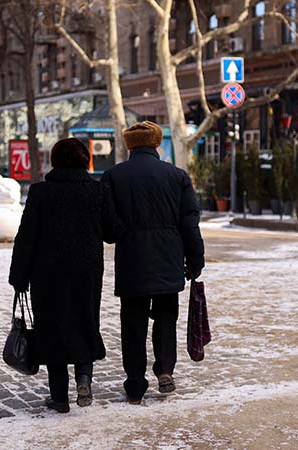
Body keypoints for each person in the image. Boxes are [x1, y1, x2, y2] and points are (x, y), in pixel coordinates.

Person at [9, 137, 121, 414]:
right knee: (85, 321)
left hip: (47, 273)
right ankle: (84, 379)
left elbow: (26, 238)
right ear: (85, 160)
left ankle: (59, 398)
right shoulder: (98, 192)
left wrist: (18, 276)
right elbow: (112, 233)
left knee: (52, 329)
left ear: (55, 161)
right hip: (86, 271)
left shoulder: (40, 192)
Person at [102, 121, 205, 404]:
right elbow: (190, 222)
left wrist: (124, 233)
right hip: (168, 258)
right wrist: (195, 259)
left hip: (133, 260)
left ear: (129, 144)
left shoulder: (113, 176)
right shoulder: (176, 176)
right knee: (165, 317)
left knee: (132, 322)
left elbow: (107, 227)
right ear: (157, 143)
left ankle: (135, 382)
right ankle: (165, 371)